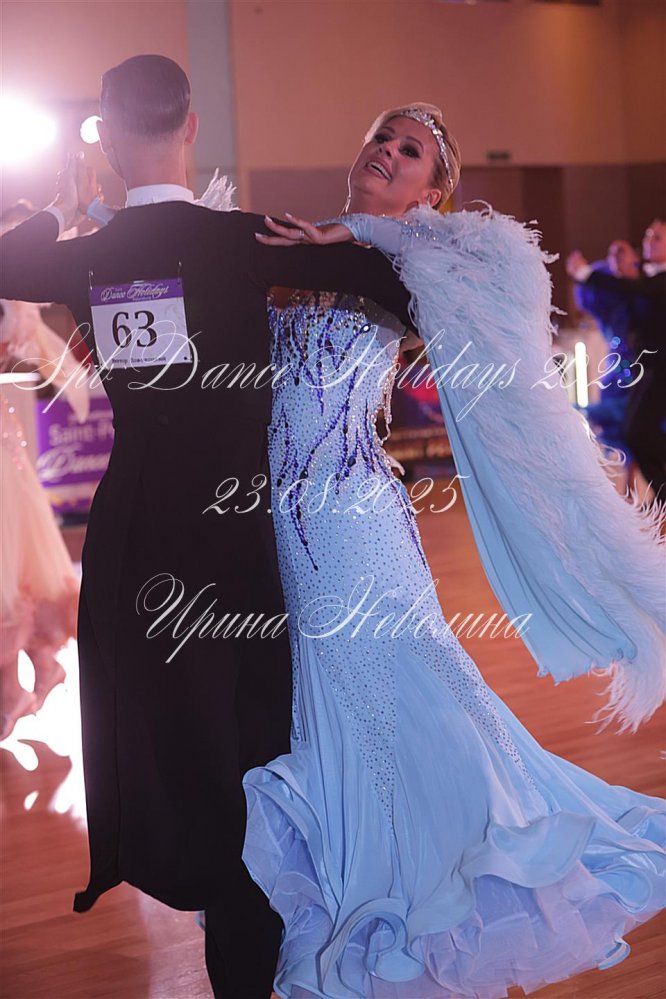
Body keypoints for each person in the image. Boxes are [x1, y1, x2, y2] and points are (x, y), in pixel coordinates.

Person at [0, 55, 413, 999]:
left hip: (135, 545)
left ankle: (202, 890)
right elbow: (398, 277)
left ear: (107, 138)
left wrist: (58, 208)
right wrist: (348, 229)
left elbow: (9, 256)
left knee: (171, 743)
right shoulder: (244, 240)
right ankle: (245, 942)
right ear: (191, 128)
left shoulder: (86, 254)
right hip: (236, 542)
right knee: (250, 747)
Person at [243, 105, 665, 997]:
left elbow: (498, 262)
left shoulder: (414, 262)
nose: (386, 153)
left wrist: (365, 228)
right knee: (364, 701)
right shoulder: (293, 246)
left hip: (347, 517)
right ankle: (377, 881)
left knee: (396, 700)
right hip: (288, 516)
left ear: (432, 192)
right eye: (382, 137)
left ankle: (410, 896)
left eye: (411, 152)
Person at [0, 203, 87, 741]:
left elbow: (33, 350)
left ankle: (20, 681)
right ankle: (33, 674)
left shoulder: (14, 298)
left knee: (12, 563)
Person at [567, 220, 666, 507]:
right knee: (634, 434)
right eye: (647, 235)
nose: (648, 240)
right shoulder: (638, 283)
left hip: (653, 371)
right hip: (633, 370)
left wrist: (586, 273)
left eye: (657, 237)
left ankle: (656, 499)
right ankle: (658, 499)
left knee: (637, 433)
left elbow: (634, 290)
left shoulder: (649, 284)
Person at [572, 239, 640, 465]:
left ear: (635, 257)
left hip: (643, 363)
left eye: (621, 252)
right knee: (621, 420)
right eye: (612, 253)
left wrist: (583, 273)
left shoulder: (644, 286)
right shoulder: (606, 289)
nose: (616, 257)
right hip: (620, 361)